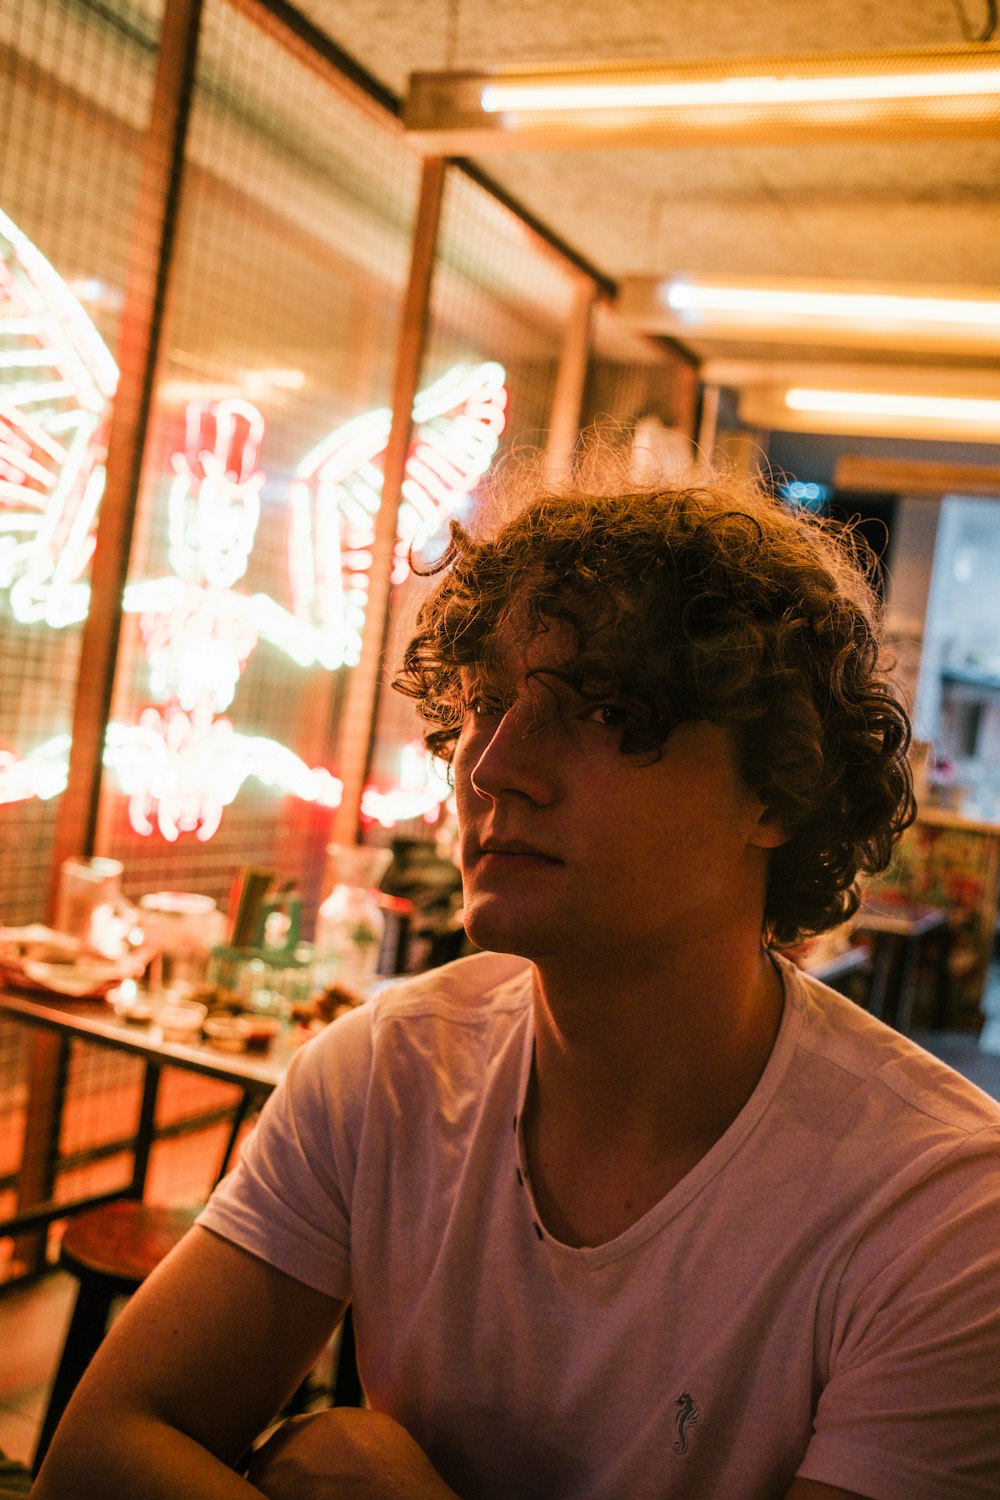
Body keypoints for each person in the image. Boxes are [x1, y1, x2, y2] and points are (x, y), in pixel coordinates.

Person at [34, 469, 1000, 1500]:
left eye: (603, 710)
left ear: (777, 786)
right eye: (487, 704)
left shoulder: (939, 1220)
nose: (495, 766)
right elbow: (95, 1458)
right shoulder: (387, 1069)